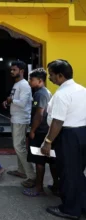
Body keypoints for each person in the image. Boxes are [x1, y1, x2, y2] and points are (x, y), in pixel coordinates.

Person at [42, 60, 86, 219]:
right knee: (78, 173)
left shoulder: (62, 94)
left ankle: (69, 209)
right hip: (82, 133)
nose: (50, 78)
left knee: (67, 173)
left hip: (67, 136)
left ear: (60, 75)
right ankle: (81, 205)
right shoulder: (82, 90)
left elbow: (58, 121)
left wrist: (48, 142)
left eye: (52, 75)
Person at [22, 68, 59, 197]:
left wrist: (32, 130)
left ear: (40, 81)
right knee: (52, 160)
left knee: (39, 161)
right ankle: (56, 186)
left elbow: (39, 113)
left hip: (40, 131)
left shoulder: (40, 93)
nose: (29, 81)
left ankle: (39, 188)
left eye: (31, 79)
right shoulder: (44, 92)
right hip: (46, 130)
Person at [3, 61, 35, 188]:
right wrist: (8, 102)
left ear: (22, 71)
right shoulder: (17, 84)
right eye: (11, 69)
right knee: (18, 146)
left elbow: (22, 103)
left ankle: (31, 176)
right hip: (15, 118)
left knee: (19, 147)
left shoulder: (25, 85)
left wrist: (11, 100)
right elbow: (16, 101)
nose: (12, 72)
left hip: (21, 120)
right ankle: (21, 171)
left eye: (14, 70)